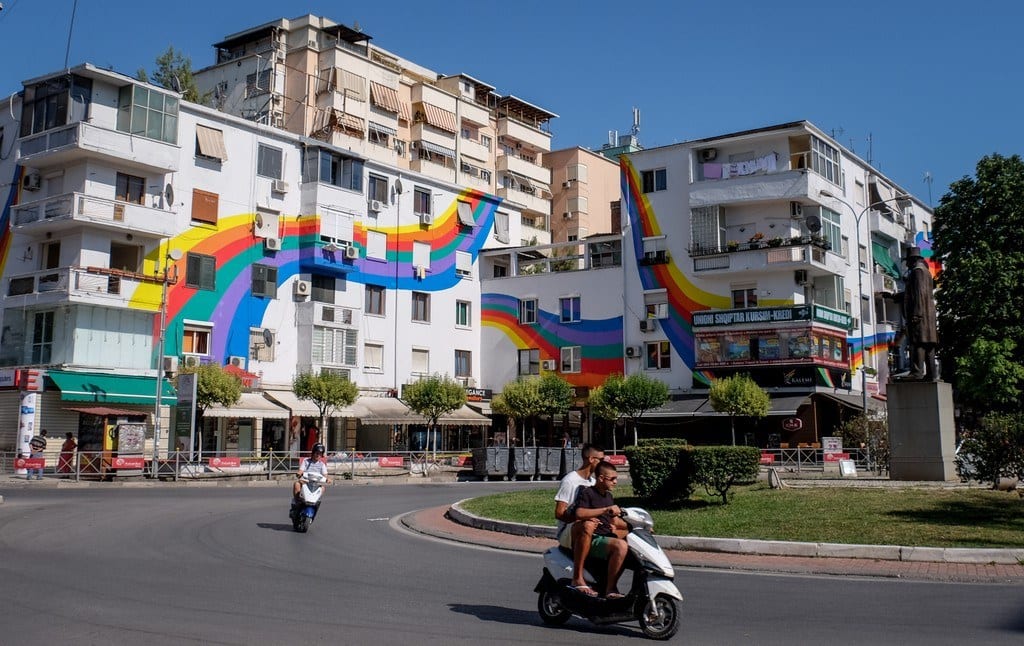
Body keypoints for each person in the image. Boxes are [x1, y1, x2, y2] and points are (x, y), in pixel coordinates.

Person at [553, 443, 604, 597]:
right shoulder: (571, 481)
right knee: (587, 525)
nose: (603, 463)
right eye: (601, 459)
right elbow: (559, 513)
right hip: (569, 531)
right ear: (591, 459)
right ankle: (578, 577)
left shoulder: (594, 483)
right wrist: (580, 517)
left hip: (589, 528)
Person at [572, 461, 629, 598]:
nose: (615, 482)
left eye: (616, 478)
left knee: (631, 542)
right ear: (601, 478)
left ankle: (608, 587)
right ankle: (607, 588)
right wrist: (604, 510)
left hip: (606, 536)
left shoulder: (608, 496)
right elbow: (579, 513)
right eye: (612, 479)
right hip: (592, 538)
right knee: (620, 545)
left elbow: (614, 519)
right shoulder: (588, 493)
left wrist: (635, 526)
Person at [903, 246, 938, 381]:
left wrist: (916, 314)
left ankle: (917, 372)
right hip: (928, 316)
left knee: (918, 342)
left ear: (913, 260)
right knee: (928, 345)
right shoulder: (927, 273)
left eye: (907, 261)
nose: (906, 264)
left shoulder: (917, 272)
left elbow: (918, 294)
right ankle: (931, 374)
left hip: (920, 314)